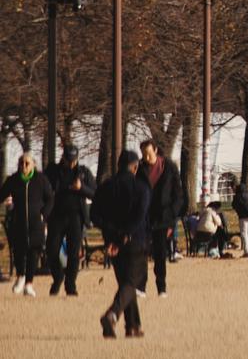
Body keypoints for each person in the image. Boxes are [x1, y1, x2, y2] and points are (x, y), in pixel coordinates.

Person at [93, 150, 151, 339]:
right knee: (131, 283)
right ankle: (112, 314)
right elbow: (139, 216)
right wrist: (125, 234)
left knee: (126, 283)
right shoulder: (141, 187)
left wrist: (112, 236)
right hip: (134, 240)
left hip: (113, 241)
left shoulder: (105, 187)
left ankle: (133, 326)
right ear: (135, 167)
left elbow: (95, 215)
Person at [44, 144, 95, 294]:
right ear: (63, 158)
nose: (71, 163)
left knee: (73, 253)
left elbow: (94, 193)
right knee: (51, 250)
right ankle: (58, 276)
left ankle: (70, 284)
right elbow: (44, 189)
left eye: (74, 160)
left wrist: (82, 188)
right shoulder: (52, 171)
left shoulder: (83, 172)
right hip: (56, 216)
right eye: (68, 160)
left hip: (76, 217)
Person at [2, 151, 54, 295]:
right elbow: (2, 194)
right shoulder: (13, 180)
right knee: (19, 250)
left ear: (33, 165)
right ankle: (20, 277)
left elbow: (50, 199)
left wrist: (43, 215)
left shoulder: (41, 179)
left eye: (27, 163)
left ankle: (29, 284)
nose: (23, 166)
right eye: (21, 163)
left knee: (34, 252)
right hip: (18, 221)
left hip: (36, 222)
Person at [137, 140, 184, 297]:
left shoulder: (169, 167)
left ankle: (161, 287)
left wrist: (172, 215)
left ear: (155, 150)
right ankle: (141, 287)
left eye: (149, 154)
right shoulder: (139, 168)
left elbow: (178, 194)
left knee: (160, 253)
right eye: (144, 154)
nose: (146, 157)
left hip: (163, 217)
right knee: (142, 252)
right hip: (144, 217)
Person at [231, 183, 248, 258]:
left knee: (244, 233)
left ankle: (247, 252)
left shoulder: (238, 196)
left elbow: (234, 205)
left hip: (243, 216)